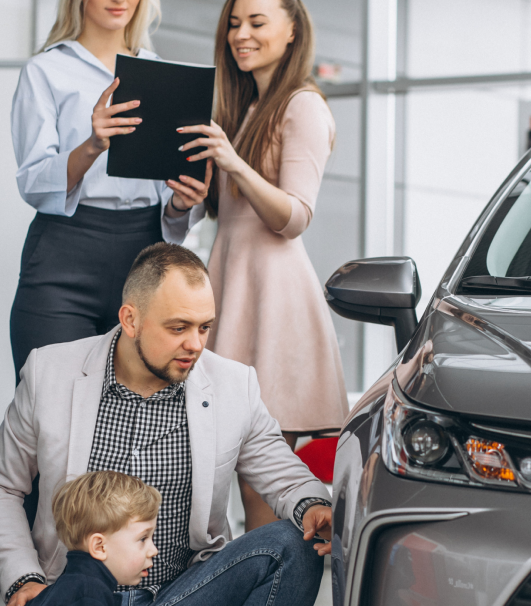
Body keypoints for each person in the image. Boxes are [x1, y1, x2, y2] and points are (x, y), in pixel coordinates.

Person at [0, 243, 333, 606]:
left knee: (296, 544)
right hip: (77, 595)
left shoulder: (234, 385)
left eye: (204, 327)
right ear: (131, 320)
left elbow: (287, 477)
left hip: (183, 594)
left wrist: (314, 506)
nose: (195, 344)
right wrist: (23, 579)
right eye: (178, 327)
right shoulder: (49, 372)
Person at [177, 0, 349, 531]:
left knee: (262, 481)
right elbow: (227, 213)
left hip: (274, 298)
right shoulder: (246, 107)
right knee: (218, 470)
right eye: (233, 24)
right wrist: (190, 197)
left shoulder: (303, 106)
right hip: (230, 285)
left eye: (256, 22)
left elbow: (294, 216)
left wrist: (234, 163)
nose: (240, 35)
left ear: (293, 29)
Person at [9, 0, 211, 385]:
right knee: (51, 402)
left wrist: (182, 204)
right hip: (64, 251)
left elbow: (169, 198)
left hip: (145, 252)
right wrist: (92, 145)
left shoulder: (163, 72)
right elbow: (34, 183)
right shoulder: (46, 71)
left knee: (138, 406)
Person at [27, 471, 160, 606]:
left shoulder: (64, 589)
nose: (154, 551)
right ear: (99, 546)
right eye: (143, 539)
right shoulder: (90, 596)